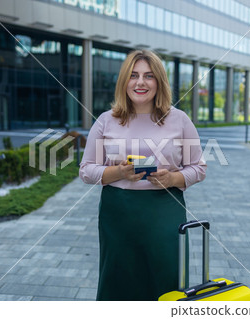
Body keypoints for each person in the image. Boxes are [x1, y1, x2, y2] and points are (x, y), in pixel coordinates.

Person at [79, 50, 206, 301]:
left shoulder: (179, 120)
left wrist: (172, 179)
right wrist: (119, 172)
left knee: (167, 281)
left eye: (149, 76)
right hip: (118, 214)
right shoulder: (106, 121)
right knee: (119, 282)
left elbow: (198, 168)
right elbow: (86, 170)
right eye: (133, 75)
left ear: (159, 81)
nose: (140, 82)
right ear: (124, 81)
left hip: (165, 212)